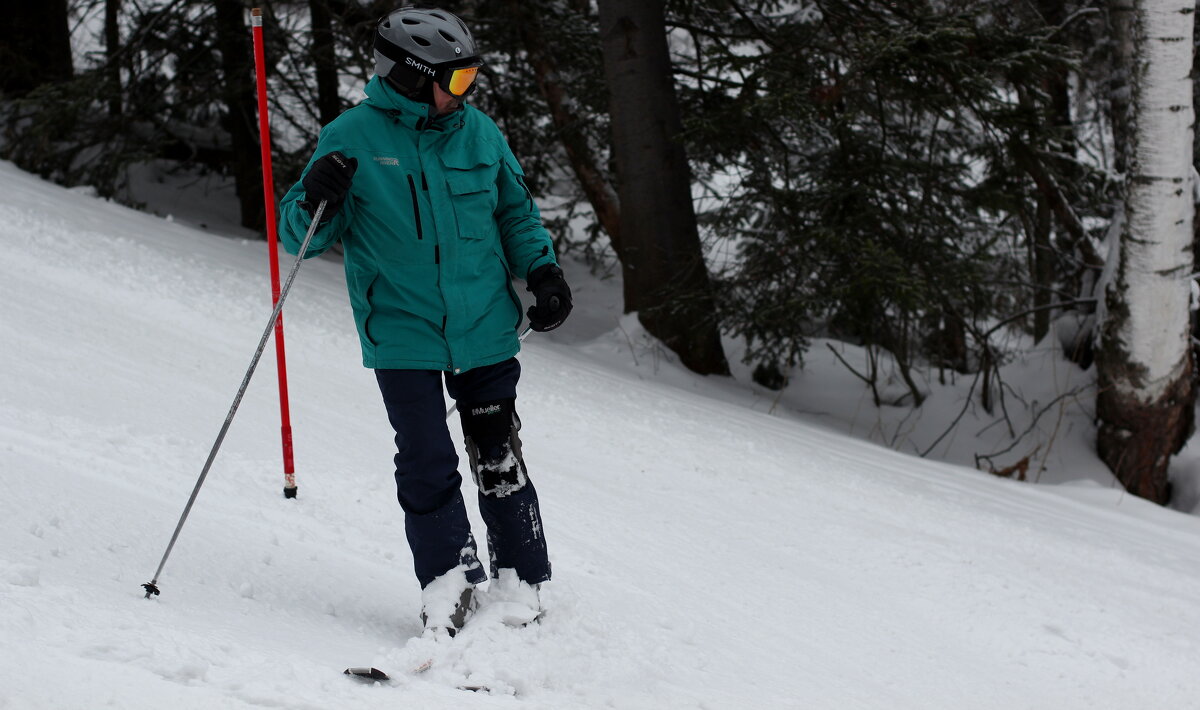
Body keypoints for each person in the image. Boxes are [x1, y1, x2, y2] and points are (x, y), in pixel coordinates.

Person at [278, 5, 572, 636]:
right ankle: (450, 584)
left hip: (485, 324)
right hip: (403, 332)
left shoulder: (479, 133)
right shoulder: (350, 138)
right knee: (426, 459)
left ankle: (520, 581)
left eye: (470, 79)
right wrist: (314, 194)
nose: (464, 93)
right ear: (411, 76)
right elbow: (302, 236)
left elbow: (514, 214)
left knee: (497, 452)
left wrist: (542, 272)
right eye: (455, 80)